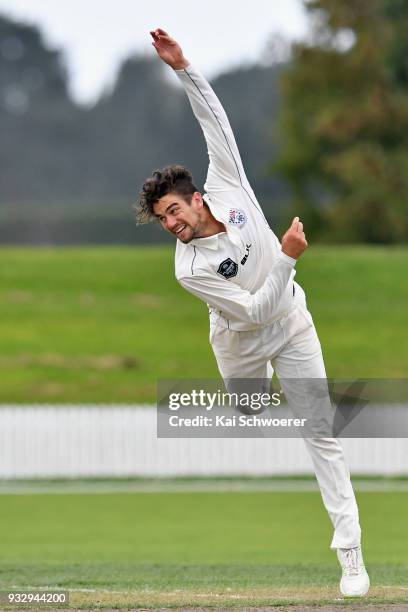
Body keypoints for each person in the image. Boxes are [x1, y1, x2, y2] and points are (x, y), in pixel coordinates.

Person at [137, 28, 370, 597]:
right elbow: (251, 313)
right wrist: (287, 259)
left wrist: (183, 66)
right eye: (162, 220)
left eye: (173, 211)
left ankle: (352, 558)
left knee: (321, 432)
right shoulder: (188, 269)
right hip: (241, 337)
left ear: (195, 198)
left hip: (292, 324)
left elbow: (214, 119)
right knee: (247, 406)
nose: (171, 224)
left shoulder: (230, 184)